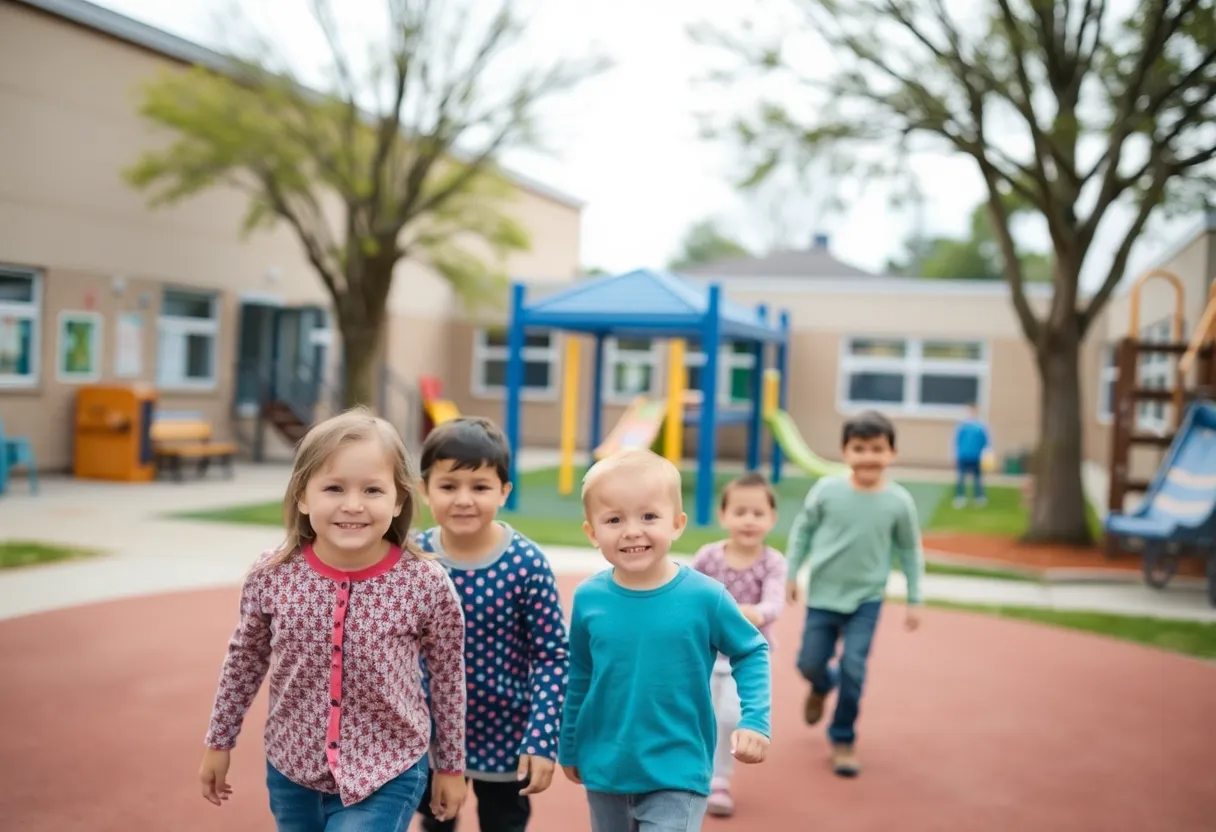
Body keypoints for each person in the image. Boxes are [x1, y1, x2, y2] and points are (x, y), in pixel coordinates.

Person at [197, 406, 468, 831]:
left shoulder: (425, 584)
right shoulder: (272, 575)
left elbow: (449, 675)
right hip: (293, 770)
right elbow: (243, 661)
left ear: (399, 499)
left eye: (373, 490)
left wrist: (450, 766)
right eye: (335, 488)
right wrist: (219, 740)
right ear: (303, 495)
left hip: (388, 768)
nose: (353, 505)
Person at [560, 449, 772, 831]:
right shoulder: (588, 599)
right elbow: (579, 674)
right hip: (605, 766)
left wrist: (755, 720)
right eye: (613, 519)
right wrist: (571, 742)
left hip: (679, 767)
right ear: (592, 532)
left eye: (649, 516)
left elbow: (752, 650)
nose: (632, 530)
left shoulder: (706, 596)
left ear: (677, 523)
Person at [414, 417, 569, 832]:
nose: (464, 499)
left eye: (480, 487)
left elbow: (553, 655)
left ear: (504, 491)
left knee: (504, 825)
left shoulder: (526, 564)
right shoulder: (413, 560)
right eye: (448, 486)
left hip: (507, 734)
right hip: (430, 733)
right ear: (425, 489)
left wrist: (541, 738)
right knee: (436, 823)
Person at [785, 410, 924, 778]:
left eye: (877, 449)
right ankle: (821, 685)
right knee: (809, 664)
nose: (868, 457)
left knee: (855, 669)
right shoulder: (828, 491)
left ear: (891, 453)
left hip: (867, 599)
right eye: (859, 448)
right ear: (845, 452)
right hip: (823, 596)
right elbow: (803, 531)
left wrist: (915, 598)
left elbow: (910, 551)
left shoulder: (899, 502)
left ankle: (843, 737)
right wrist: (792, 572)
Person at [691, 472, 787, 818]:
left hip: (744, 657)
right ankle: (696, 769)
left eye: (758, 513)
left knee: (731, 715)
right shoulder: (708, 556)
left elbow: (775, 602)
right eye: (740, 511)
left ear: (772, 519)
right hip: (704, 653)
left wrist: (753, 613)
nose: (749, 520)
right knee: (699, 714)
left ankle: (719, 779)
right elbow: (688, 589)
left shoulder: (772, 562)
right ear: (723, 515)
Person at [952, 403, 990, 508]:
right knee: (961, 478)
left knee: (977, 478)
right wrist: (956, 454)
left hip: (976, 456)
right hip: (963, 456)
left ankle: (979, 497)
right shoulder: (962, 427)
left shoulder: (980, 428)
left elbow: (985, 442)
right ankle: (960, 497)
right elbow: (957, 441)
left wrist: (986, 454)